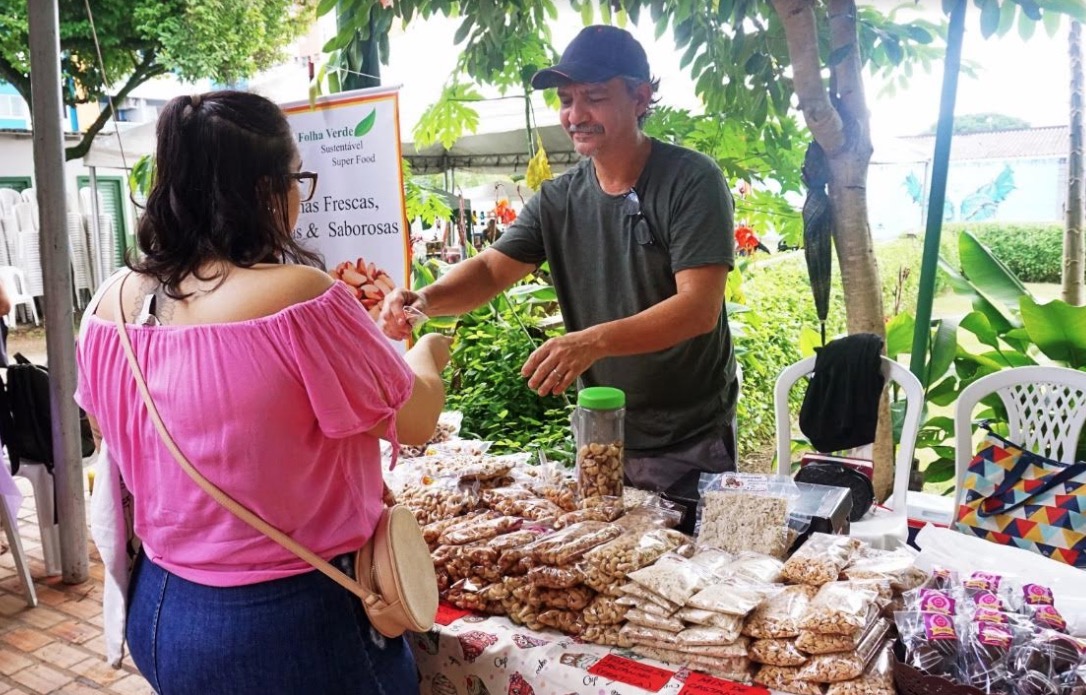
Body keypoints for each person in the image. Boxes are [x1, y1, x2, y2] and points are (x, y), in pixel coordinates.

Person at [74, 90, 449, 694]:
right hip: (290, 621)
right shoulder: (299, 295)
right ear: (264, 190)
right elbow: (414, 419)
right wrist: (424, 353)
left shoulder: (107, 304)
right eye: (296, 177)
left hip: (162, 606)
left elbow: (118, 432)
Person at [380, 26, 738, 499]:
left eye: (593, 96)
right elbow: (490, 270)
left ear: (641, 97)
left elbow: (698, 308)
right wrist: (423, 300)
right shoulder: (558, 198)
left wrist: (592, 342)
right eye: (567, 99)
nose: (575, 115)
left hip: (691, 434)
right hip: (604, 429)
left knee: (691, 565)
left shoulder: (691, 180)